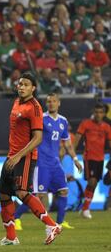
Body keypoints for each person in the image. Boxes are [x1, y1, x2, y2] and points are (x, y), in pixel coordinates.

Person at [0, 73, 62, 246]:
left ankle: (52, 225)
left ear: (33, 88)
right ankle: (11, 237)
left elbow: (38, 138)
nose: (21, 87)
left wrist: (19, 156)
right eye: (19, 84)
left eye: (26, 84)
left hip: (24, 157)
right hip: (12, 155)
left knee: (22, 192)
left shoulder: (35, 107)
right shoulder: (17, 102)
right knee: (3, 194)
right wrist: (13, 154)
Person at [14, 93, 83, 230]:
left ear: (59, 103)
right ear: (46, 104)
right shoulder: (41, 119)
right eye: (49, 101)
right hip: (41, 163)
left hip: (55, 163)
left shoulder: (63, 121)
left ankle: (60, 222)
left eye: (54, 101)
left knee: (63, 191)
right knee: (37, 196)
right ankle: (16, 218)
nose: (51, 103)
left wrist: (75, 159)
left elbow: (67, 144)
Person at [73, 103, 111, 219]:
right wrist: (73, 154)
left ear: (104, 114)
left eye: (101, 112)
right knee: (92, 181)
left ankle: (84, 207)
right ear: (93, 112)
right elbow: (77, 138)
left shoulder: (106, 127)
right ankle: (85, 209)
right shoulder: (86, 124)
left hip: (101, 159)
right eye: (96, 112)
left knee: (94, 184)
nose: (98, 114)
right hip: (89, 158)